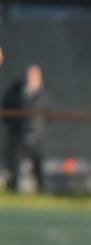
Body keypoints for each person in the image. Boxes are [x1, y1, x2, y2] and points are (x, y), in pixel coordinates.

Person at [3, 64, 48, 192]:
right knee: (15, 164)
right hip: (19, 134)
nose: (31, 78)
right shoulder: (16, 93)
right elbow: (6, 108)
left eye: (34, 76)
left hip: (37, 135)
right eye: (29, 75)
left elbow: (49, 113)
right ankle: (14, 189)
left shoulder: (44, 94)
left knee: (38, 165)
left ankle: (42, 190)